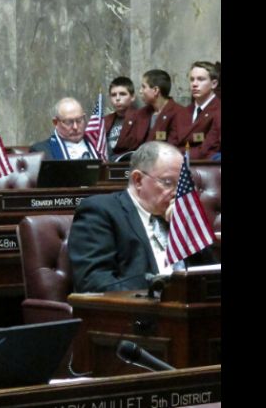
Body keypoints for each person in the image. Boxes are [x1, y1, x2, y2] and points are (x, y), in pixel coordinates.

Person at [68, 141, 216, 292]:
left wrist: (189, 230)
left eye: (182, 184)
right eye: (168, 183)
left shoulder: (177, 216)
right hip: (136, 311)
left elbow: (213, 278)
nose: (177, 193)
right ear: (138, 180)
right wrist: (160, 290)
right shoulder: (100, 211)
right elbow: (94, 283)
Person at [119, 69, 186, 152]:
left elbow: (172, 147)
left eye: (143, 87)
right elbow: (128, 144)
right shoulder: (141, 113)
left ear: (155, 90)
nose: (140, 91)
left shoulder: (179, 113)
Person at [175, 61, 221, 159]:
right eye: (192, 80)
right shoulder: (182, 112)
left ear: (214, 84)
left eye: (201, 79)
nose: (194, 84)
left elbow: (208, 149)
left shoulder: (218, 110)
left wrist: (177, 154)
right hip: (178, 163)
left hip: (204, 165)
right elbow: (172, 143)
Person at [30, 97, 100, 159]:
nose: (75, 127)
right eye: (68, 122)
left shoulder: (99, 145)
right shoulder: (42, 151)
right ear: (55, 122)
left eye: (79, 120)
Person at [103, 76, 139, 160]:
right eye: (113, 95)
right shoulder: (105, 121)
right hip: (108, 165)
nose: (117, 98)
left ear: (133, 97)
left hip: (128, 164)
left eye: (122, 94)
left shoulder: (140, 119)